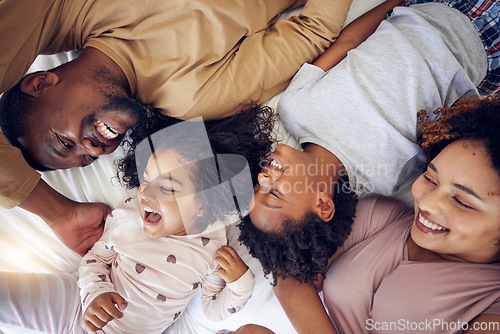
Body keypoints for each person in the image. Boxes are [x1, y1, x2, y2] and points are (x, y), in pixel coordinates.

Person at [0, 0, 353, 256]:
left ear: (40, 84)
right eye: (87, 159)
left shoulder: (59, 9)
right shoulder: (193, 97)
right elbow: (312, 30)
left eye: (64, 142)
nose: (92, 149)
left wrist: (57, 213)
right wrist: (60, 213)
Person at [239, 0, 500, 287]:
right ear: (323, 206)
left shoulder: (294, 107)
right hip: (483, 50)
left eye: (257, 185)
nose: (263, 177)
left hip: (426, 10)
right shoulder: (385, 178)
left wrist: (394, 5)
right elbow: (451, 123)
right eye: (273, 194)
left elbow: (349, 41)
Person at [240, 92, 500, 333]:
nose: (428, 203)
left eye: (462, 201)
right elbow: (290, 277)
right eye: (431, 178)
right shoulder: (387, 218)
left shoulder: (491, 301)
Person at [0, 108, 276, 333]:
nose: (146, 194)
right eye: (145, 181)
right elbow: (96, 260)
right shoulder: (130, 214)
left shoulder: (214, 247)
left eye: (167, 188)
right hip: (75, 306)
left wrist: (241, 284)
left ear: (204, 205)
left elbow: (212, 311)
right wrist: (96, 294)